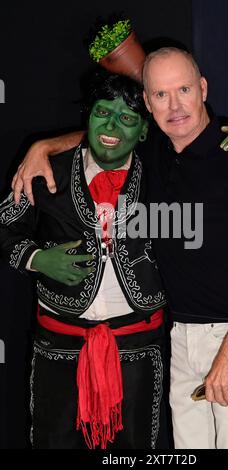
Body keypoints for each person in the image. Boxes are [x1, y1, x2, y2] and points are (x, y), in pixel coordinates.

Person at [11, 48, 228, 449]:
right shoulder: (153, 151)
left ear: (203, 88)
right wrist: (44, 148)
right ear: (150, 107)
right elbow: (108, 134)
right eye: (160, 95)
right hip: (178, 339)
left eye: (184, 89)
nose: (175, 106)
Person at [0, 72, 167, 450]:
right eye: (102, 113)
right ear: (86, 117)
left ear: (143, 130)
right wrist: (37, 259)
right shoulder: (45, 172)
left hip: (138, 347)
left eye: (126, 118)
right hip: (60, 346)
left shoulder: (163, 174)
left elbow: (213, 161)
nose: (111, 126)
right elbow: (3, 227)